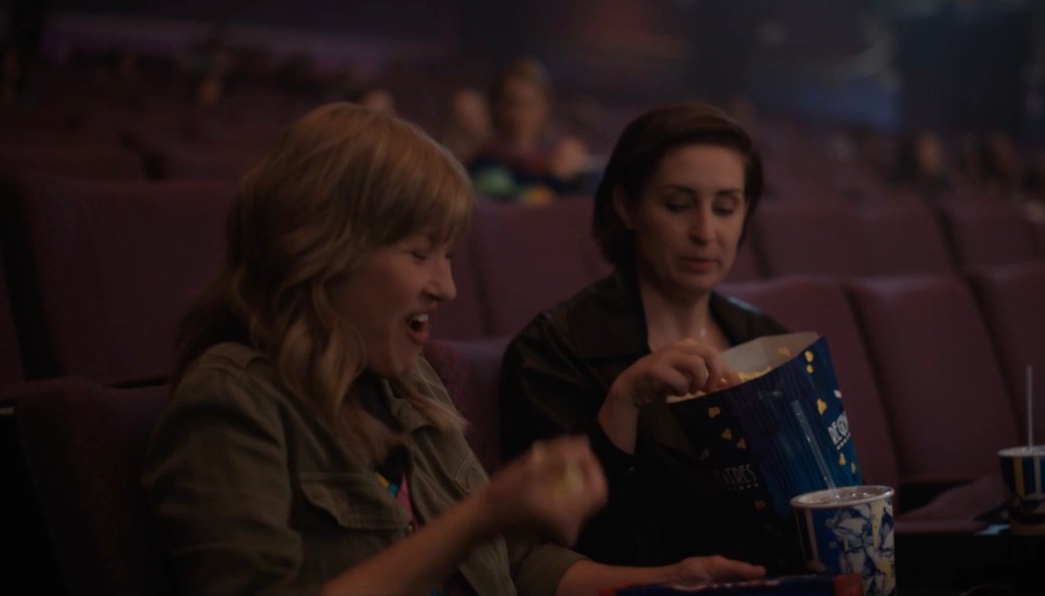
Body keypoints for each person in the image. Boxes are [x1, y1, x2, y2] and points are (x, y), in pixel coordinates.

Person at [141, 103, 766, 595]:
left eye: (447, 255)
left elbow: (514, 564)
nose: (446, 286)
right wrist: (480, 518)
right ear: (322, 255)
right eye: (419, 254)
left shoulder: (407, 383)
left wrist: (663, 581)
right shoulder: (233, 402)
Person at [499, 103, 801, 573]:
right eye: (678, 205)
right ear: (626, 206)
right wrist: (623, 403)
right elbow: (558, 548)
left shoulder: (767, 340)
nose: (705, 232)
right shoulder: (554, 350)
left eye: (726, 207)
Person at [466, 58, 589, 205]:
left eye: (529, 105)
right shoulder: (484, 164)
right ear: (495, 107)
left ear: (545, 107)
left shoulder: (551, 160)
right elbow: (513, 212)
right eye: (510, 104)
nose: (518, 116)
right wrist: (556, 179)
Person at [442, 87, 493, 164]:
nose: (467, 123)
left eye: (474, 114)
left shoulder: (497, 158)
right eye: (461, 116)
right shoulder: (443, 157)